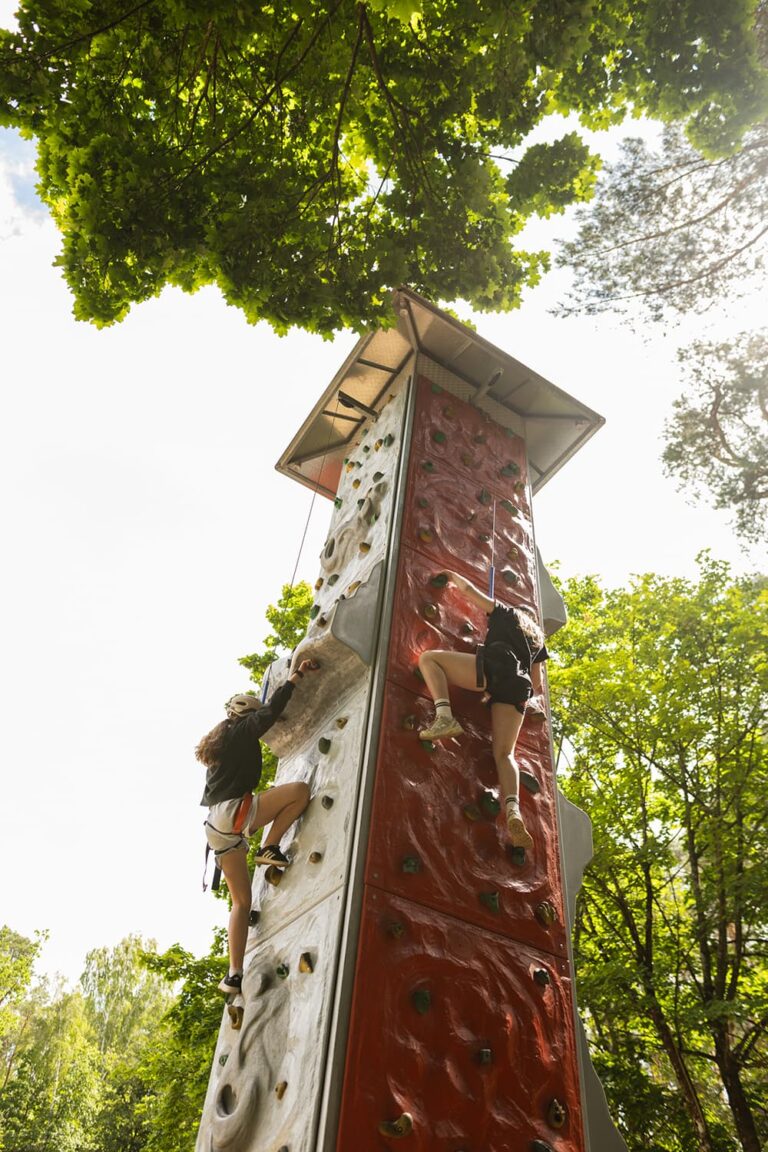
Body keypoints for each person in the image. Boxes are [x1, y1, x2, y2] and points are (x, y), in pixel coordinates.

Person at [196, 658, 319, 996]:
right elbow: (267, 715)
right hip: (234, 813)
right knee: (299, 792)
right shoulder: (242, 730)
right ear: (247, 715)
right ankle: (270, 845)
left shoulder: (220, 743)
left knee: (241, 902)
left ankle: (233, 974)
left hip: (216, 827)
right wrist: (293, 678)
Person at [417, 570, 548, 851]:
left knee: (429, 660)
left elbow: (468, 591)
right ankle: (512, 809)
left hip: (495, 667)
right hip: (519, 689)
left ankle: (443, 716)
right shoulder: (538, 643)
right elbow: (537, 683)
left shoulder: (506, 613)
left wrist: (451, 574)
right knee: (506, 753)